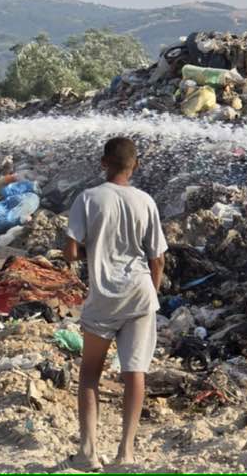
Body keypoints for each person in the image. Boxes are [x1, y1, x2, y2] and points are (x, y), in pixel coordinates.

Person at [63, 137, 167, 470]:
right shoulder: (146, 201)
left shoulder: (88, 198)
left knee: (90, 373)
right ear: (134, 165)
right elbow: (159, 258)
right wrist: (152, 293)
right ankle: (126, 454)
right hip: (139, 293)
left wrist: (89, 251)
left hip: (104, 295)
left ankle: (89, 452)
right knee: (135, 373)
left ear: (103, 162)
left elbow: (70, 250)